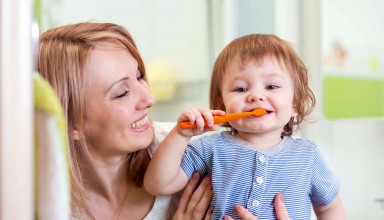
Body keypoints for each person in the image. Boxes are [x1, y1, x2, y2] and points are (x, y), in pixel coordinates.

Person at [37, 22, 290, 220]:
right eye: (122, 93)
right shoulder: (39, 200)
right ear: (70, 123)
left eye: (140, 77)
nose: (149, 99)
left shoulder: (195, 151)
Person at [144, 34, 346, 219]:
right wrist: (180, 135)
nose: (255, 96)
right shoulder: (208, 148)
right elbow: (158, 184)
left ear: (295, 104)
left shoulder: (308, 156)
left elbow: (330, 207)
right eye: (241, 88)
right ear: (222, 105)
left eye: (271, 86)